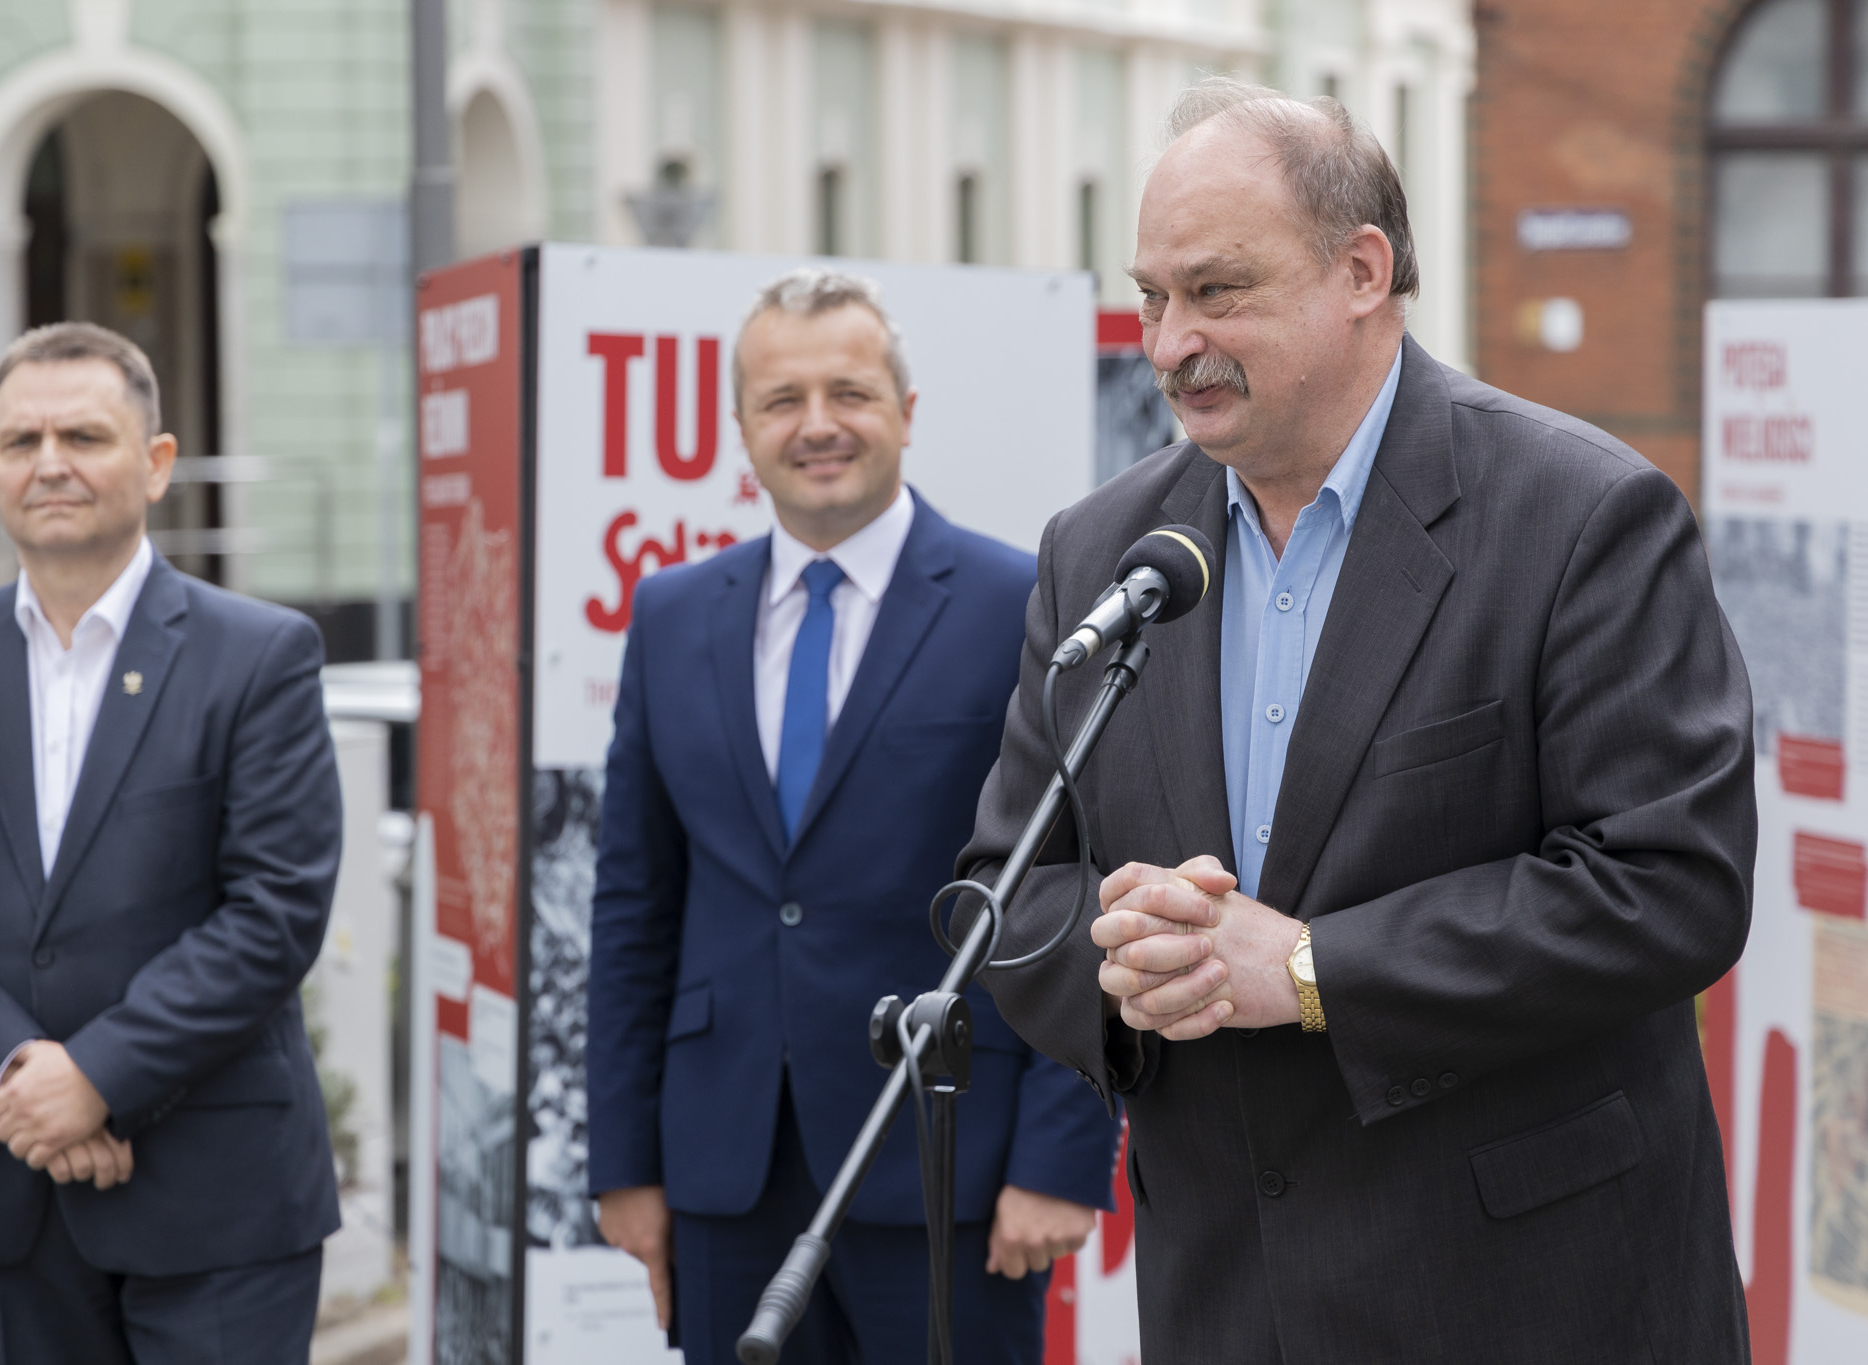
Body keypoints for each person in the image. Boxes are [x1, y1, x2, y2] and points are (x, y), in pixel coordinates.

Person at [959, 80, 1757, 1364]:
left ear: (1361, 271)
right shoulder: (1100, 549)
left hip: (1525, 1298)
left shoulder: (1580, 515)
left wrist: (1310, 970)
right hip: (1227, 1298)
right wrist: (1127, 958)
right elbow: (1009, 889)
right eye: (1151, 297)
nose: (1168, 344)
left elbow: (1670, 886)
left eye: (1216, 291)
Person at [588, 269, 1119, 1364]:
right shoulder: (671, 616)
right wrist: (624, 1165)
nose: (817, 424)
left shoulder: (1018, 603)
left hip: (949, 1162)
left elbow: (1075, 883)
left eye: (850, 392)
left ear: (906, 413)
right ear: (741, 427)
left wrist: (1058, 1157)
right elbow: (634, 906)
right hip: (725, 1173)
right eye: (782, 399)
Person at [0, 322, 343, 1363]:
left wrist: (100, 1075)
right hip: (8, 1182)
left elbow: (274, 911)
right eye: (20, 441)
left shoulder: (261, 656)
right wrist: (24, 1073)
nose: (49, 463)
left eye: (83, 436)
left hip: (218, 1200)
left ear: (156, 464)